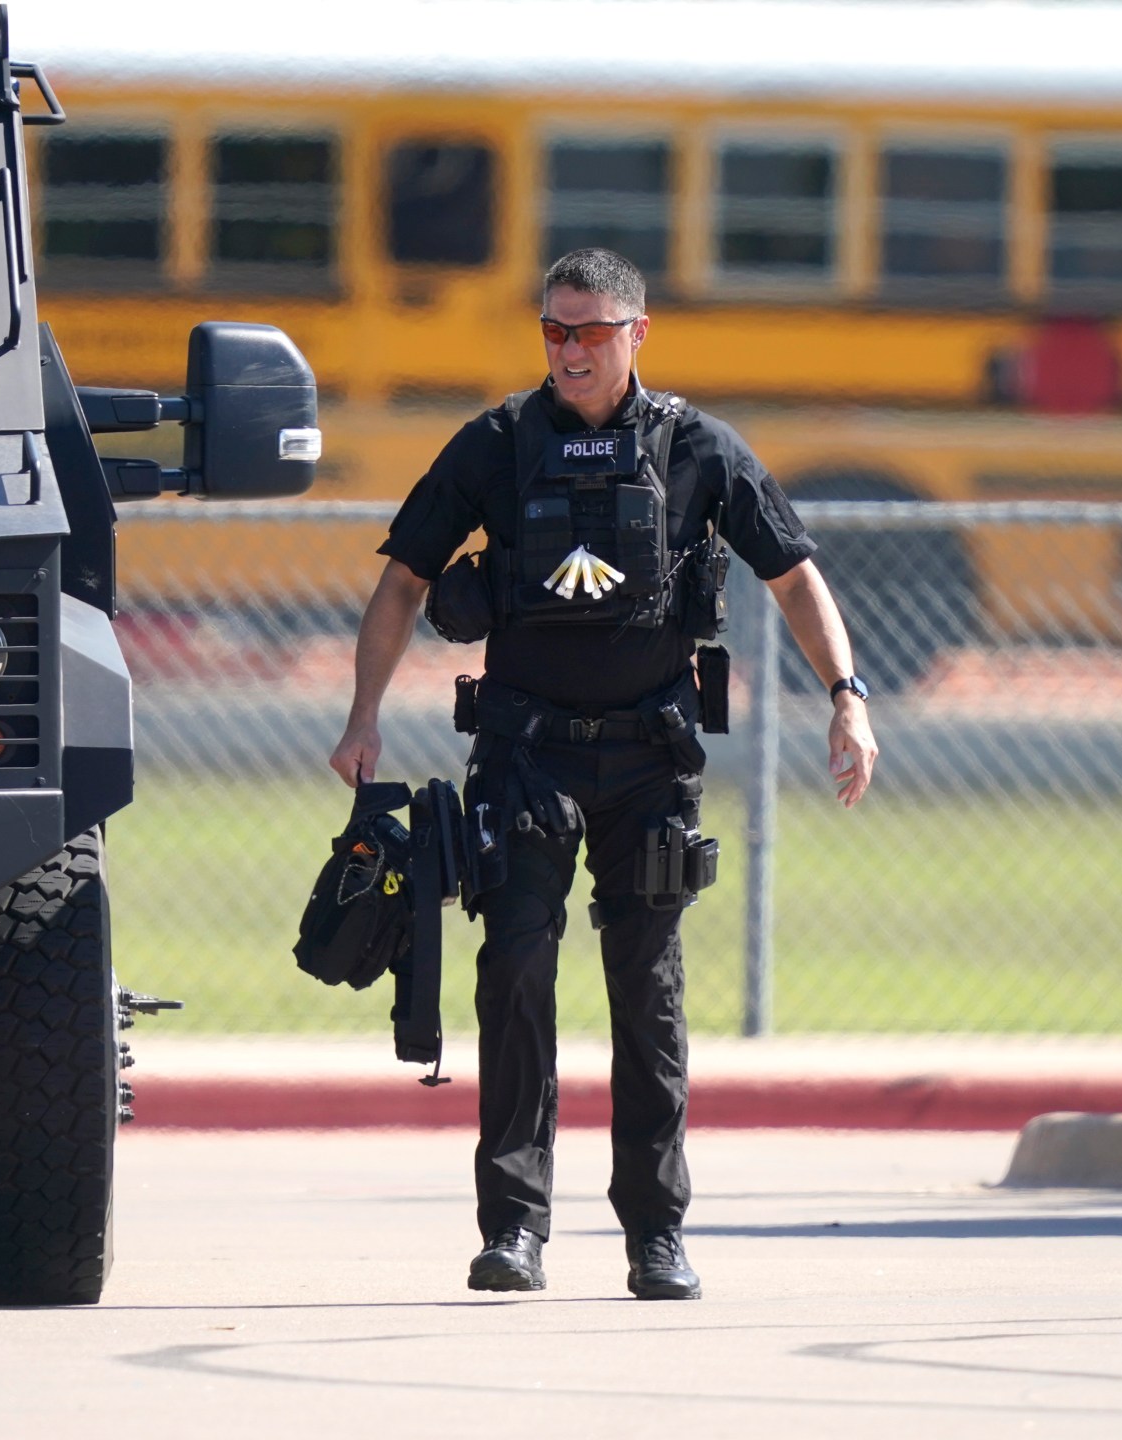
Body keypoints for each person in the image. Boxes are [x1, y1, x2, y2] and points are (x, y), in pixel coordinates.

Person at [328, 247, 878, 1300]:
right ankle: (513, 1229)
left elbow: (793, 574)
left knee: (648, 991)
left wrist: (846, 696)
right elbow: (402, 581)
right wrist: (363, 715)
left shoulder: (695, 447)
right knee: (515, 975)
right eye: (553, 330)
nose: (570, 350)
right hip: (524, 754)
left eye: (590, 330)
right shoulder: (495, 445)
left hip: (649, 759)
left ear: (637, 332)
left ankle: (655, 1237)